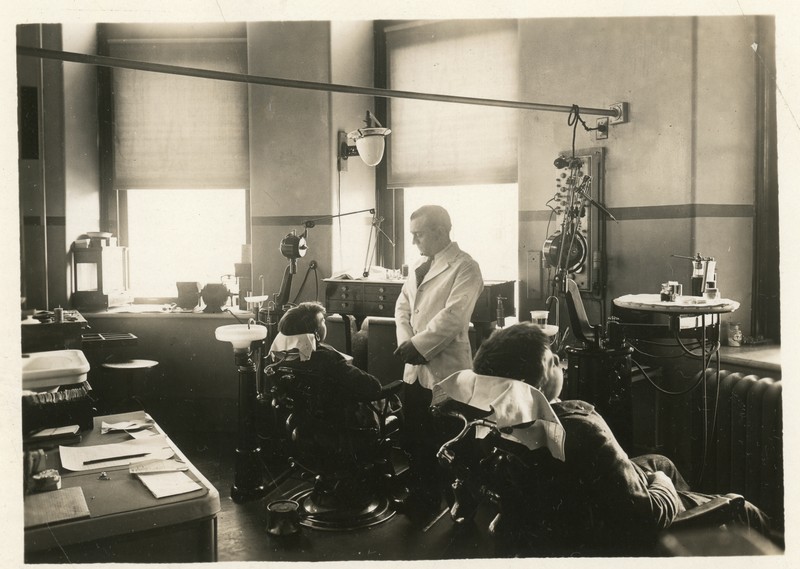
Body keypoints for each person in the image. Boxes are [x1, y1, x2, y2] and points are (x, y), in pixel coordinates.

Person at [456, 322, 772, 555]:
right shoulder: (582, 428)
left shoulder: (496, 427)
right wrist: (658, 481)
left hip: (571, 523)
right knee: (743, 508)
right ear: (531, 382)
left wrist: (657, 473)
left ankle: (687, 534)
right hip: (625, 531)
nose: (557, 359)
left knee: (663, 461)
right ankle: (683, 535)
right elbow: (646, 517)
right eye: (550, 357)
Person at [393, 204, 484, 509]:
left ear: (441, 231)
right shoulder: (419, 267)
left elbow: (454, 316)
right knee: (417, 439)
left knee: (452, 441)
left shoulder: (466, 267)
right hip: (415, 369)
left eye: (418, 234)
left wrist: (418, 347)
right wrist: (408, 344)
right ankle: (423, 498)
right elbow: (402, 308)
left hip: (448, 371)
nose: (414, 241)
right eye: (413, 234)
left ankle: (461, 506)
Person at [268, 302, 385, 426]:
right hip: (336, 425)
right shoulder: (327, 359)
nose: (325, 324)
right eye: (322, 321)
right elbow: (372, 387)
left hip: (299, 421)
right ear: (316, 334)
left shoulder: (280, 359)